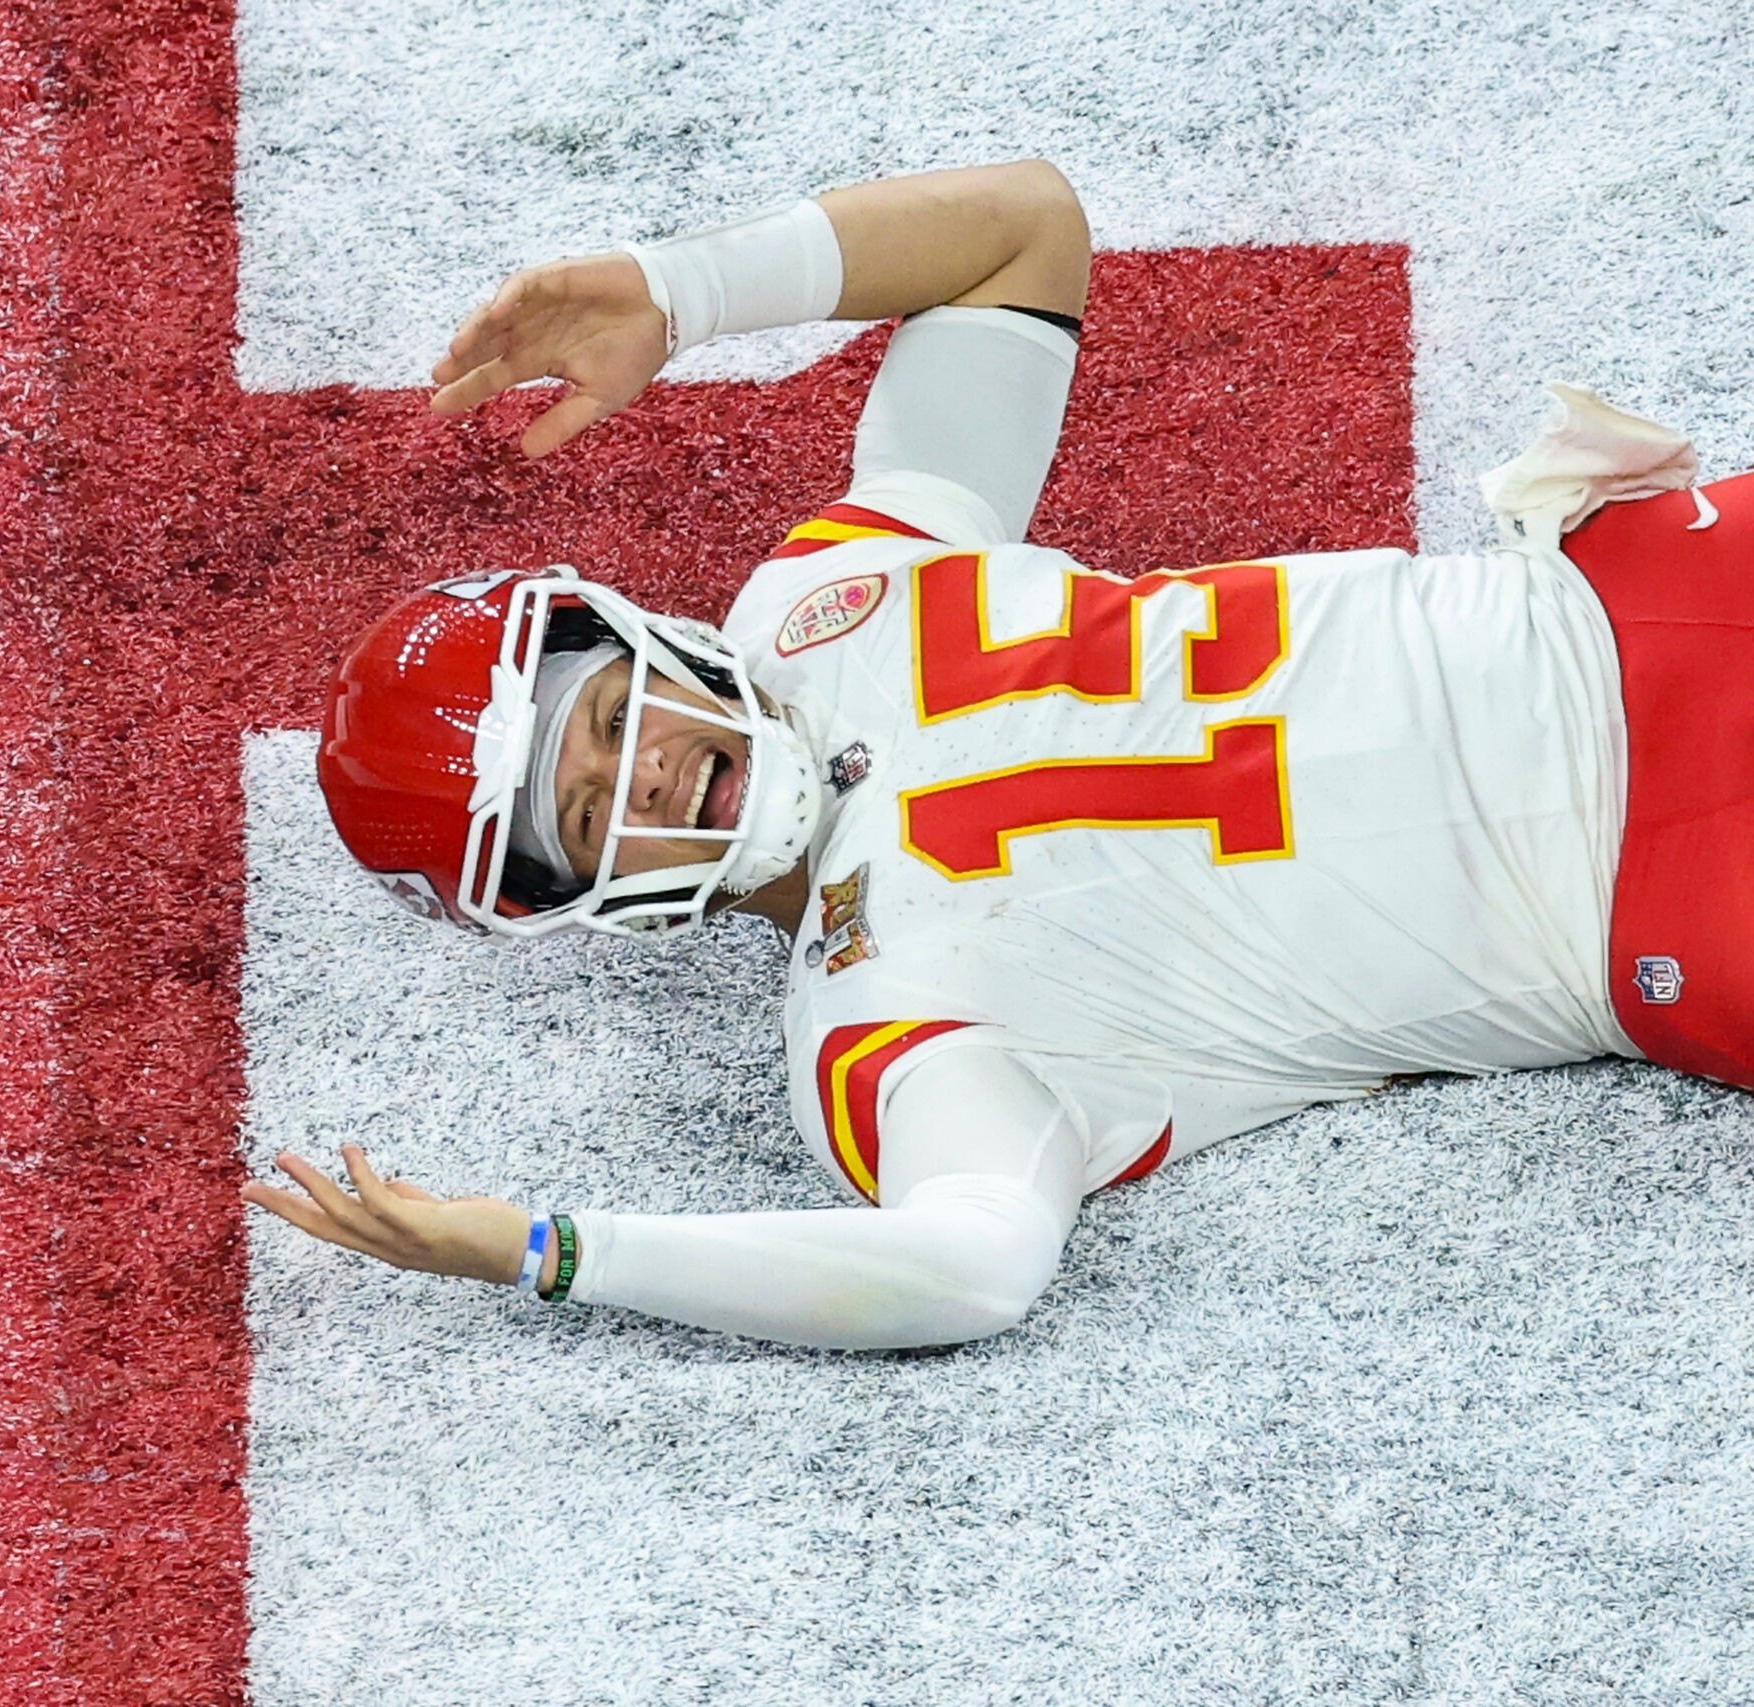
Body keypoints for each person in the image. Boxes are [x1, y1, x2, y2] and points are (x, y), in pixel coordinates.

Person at [240, 158, 1753, 1351]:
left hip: (1631, 597)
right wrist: (551, 1251)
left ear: (637, 641)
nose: (640, 774)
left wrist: (678, 289)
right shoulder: (875, 1031)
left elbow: (1021, 229)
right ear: (568, 895)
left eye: (611, 721)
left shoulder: (827, 601)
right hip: (1664, 911)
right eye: (585, 808)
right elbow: (967, 1269)